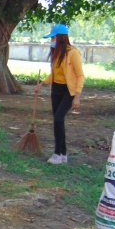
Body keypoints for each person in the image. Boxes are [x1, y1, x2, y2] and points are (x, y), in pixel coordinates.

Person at [35, 24, 85, 165]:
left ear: (61, 37)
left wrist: (77, 97)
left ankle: (57, 153)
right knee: (58, 121)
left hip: (68, 91)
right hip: (56, 90)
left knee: (58, 119)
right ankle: (62, 154)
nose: (52, 40)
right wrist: (42, 83)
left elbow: (80, 75)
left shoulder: (73, 53)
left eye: (53, 37)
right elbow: (54, 73)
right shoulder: (55, 52)